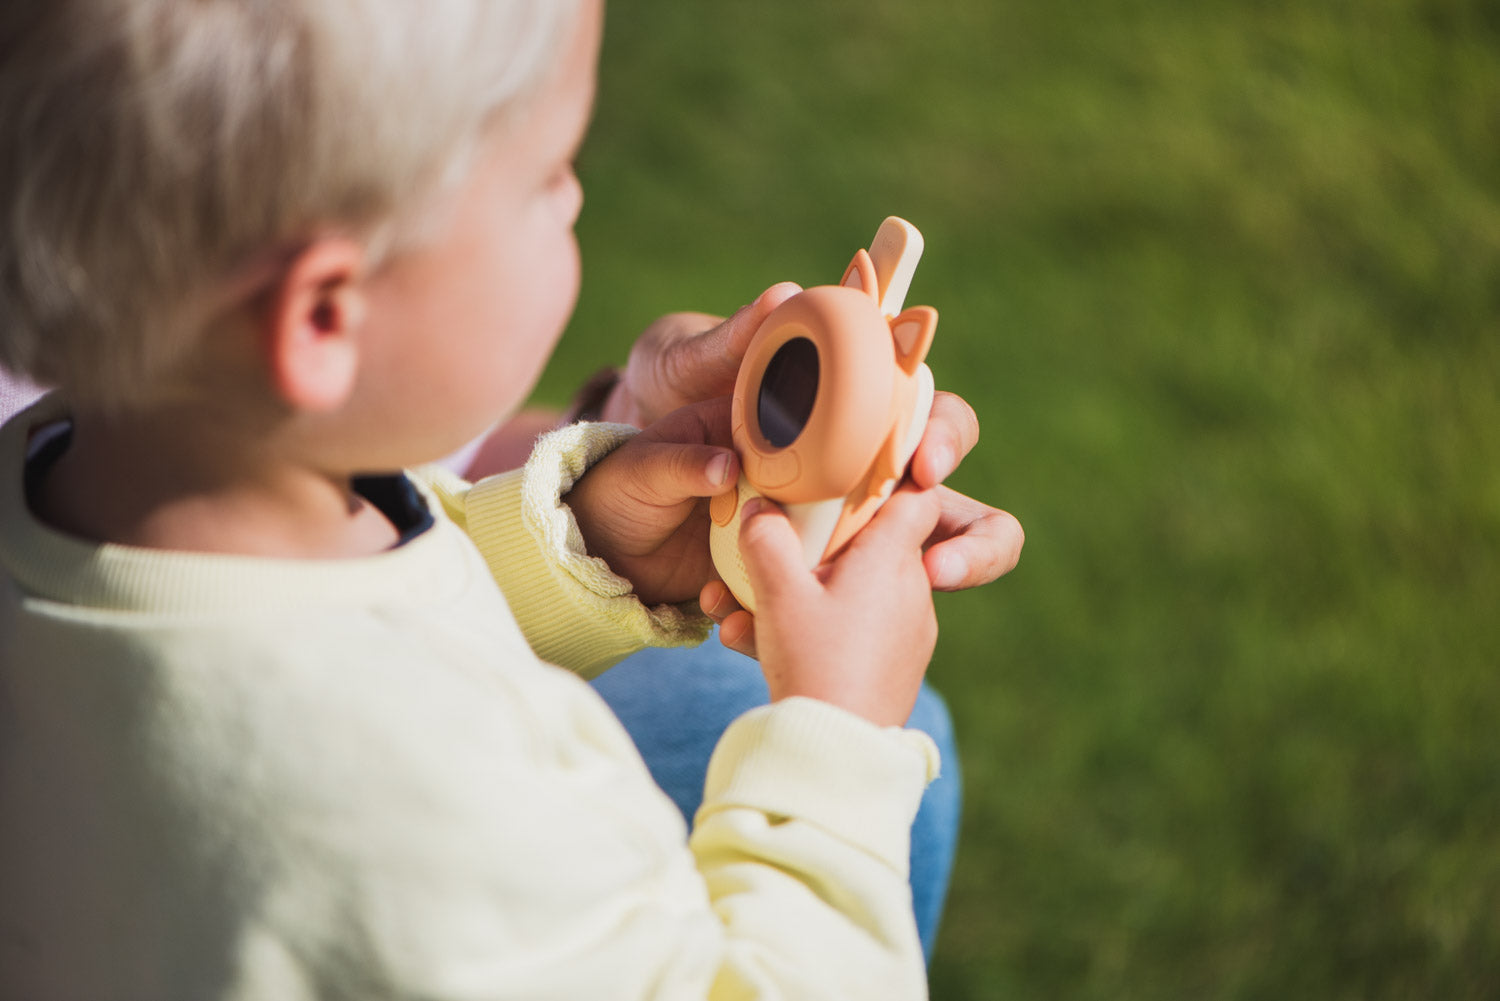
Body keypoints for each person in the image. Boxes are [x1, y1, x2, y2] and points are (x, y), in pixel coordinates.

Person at [0, 3, 1023, 1000]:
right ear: (323, 314)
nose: (576, 199)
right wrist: (834, 737)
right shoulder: (440, 814)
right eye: (546, 179)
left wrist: (582, 548)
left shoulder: (67, 487)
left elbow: (351, 631)